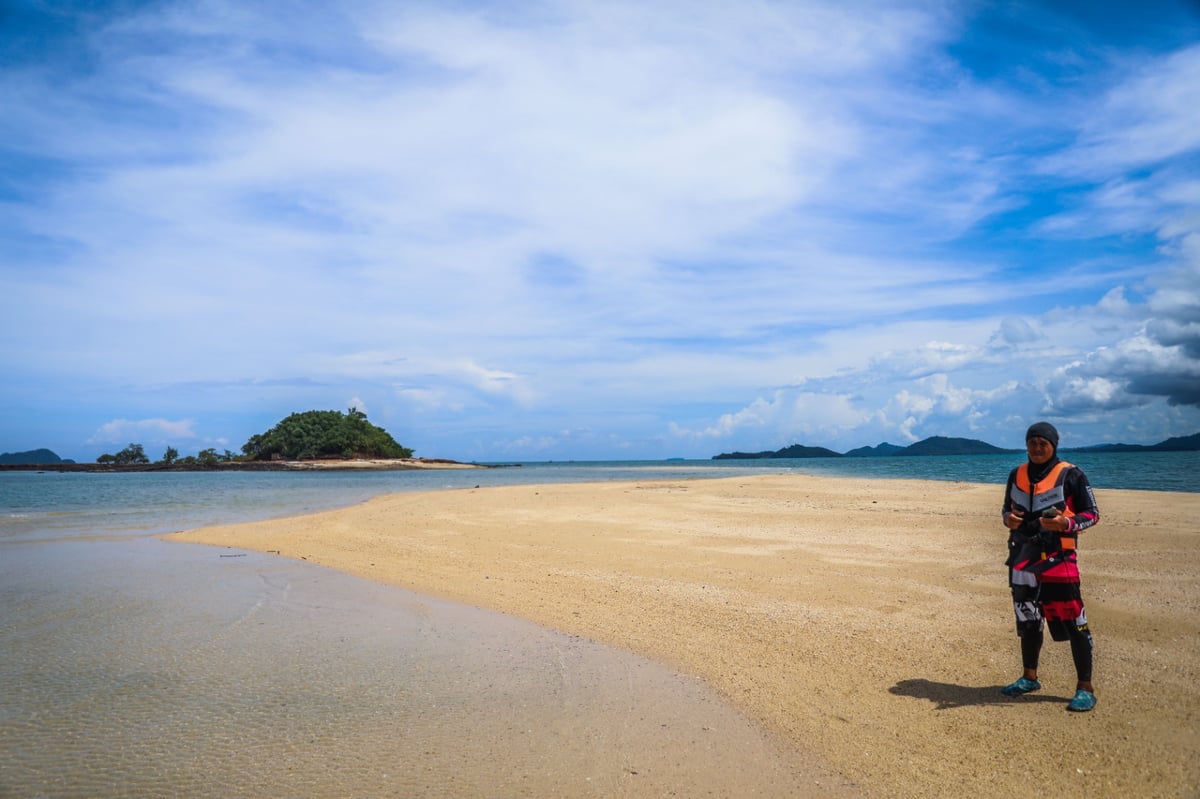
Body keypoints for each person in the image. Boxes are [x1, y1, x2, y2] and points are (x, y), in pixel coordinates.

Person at [1000, 421, 1099, 712]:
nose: (1037, 447)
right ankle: (1029, 677)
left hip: (1059, 562)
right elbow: (1006, 508)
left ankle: (1085, 687)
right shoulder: (1015, 474)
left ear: (1054, 445)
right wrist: (1008, 518)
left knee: (1074, 623)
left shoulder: (1072, 475)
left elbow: (1092, 514)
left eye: (1043, 442)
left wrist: (1066, 523)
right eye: (1032, 442)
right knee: (1028, 621)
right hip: (1022, 559)